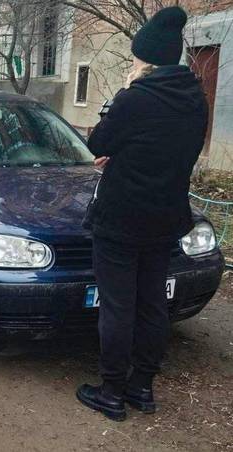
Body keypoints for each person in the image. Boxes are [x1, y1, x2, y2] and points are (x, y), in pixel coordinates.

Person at [76, 6, 209, 422]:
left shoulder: (135, 99)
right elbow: (160, 152)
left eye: (135, 58)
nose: (132, 64)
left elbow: (98, 141)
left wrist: (120, 98)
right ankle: (143, 388)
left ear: (146, 61)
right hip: (166, 217)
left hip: (121, 219)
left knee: (118, 305)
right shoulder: (195, 102)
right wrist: (122, 156)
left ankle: (111, 391)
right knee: (152, 303)